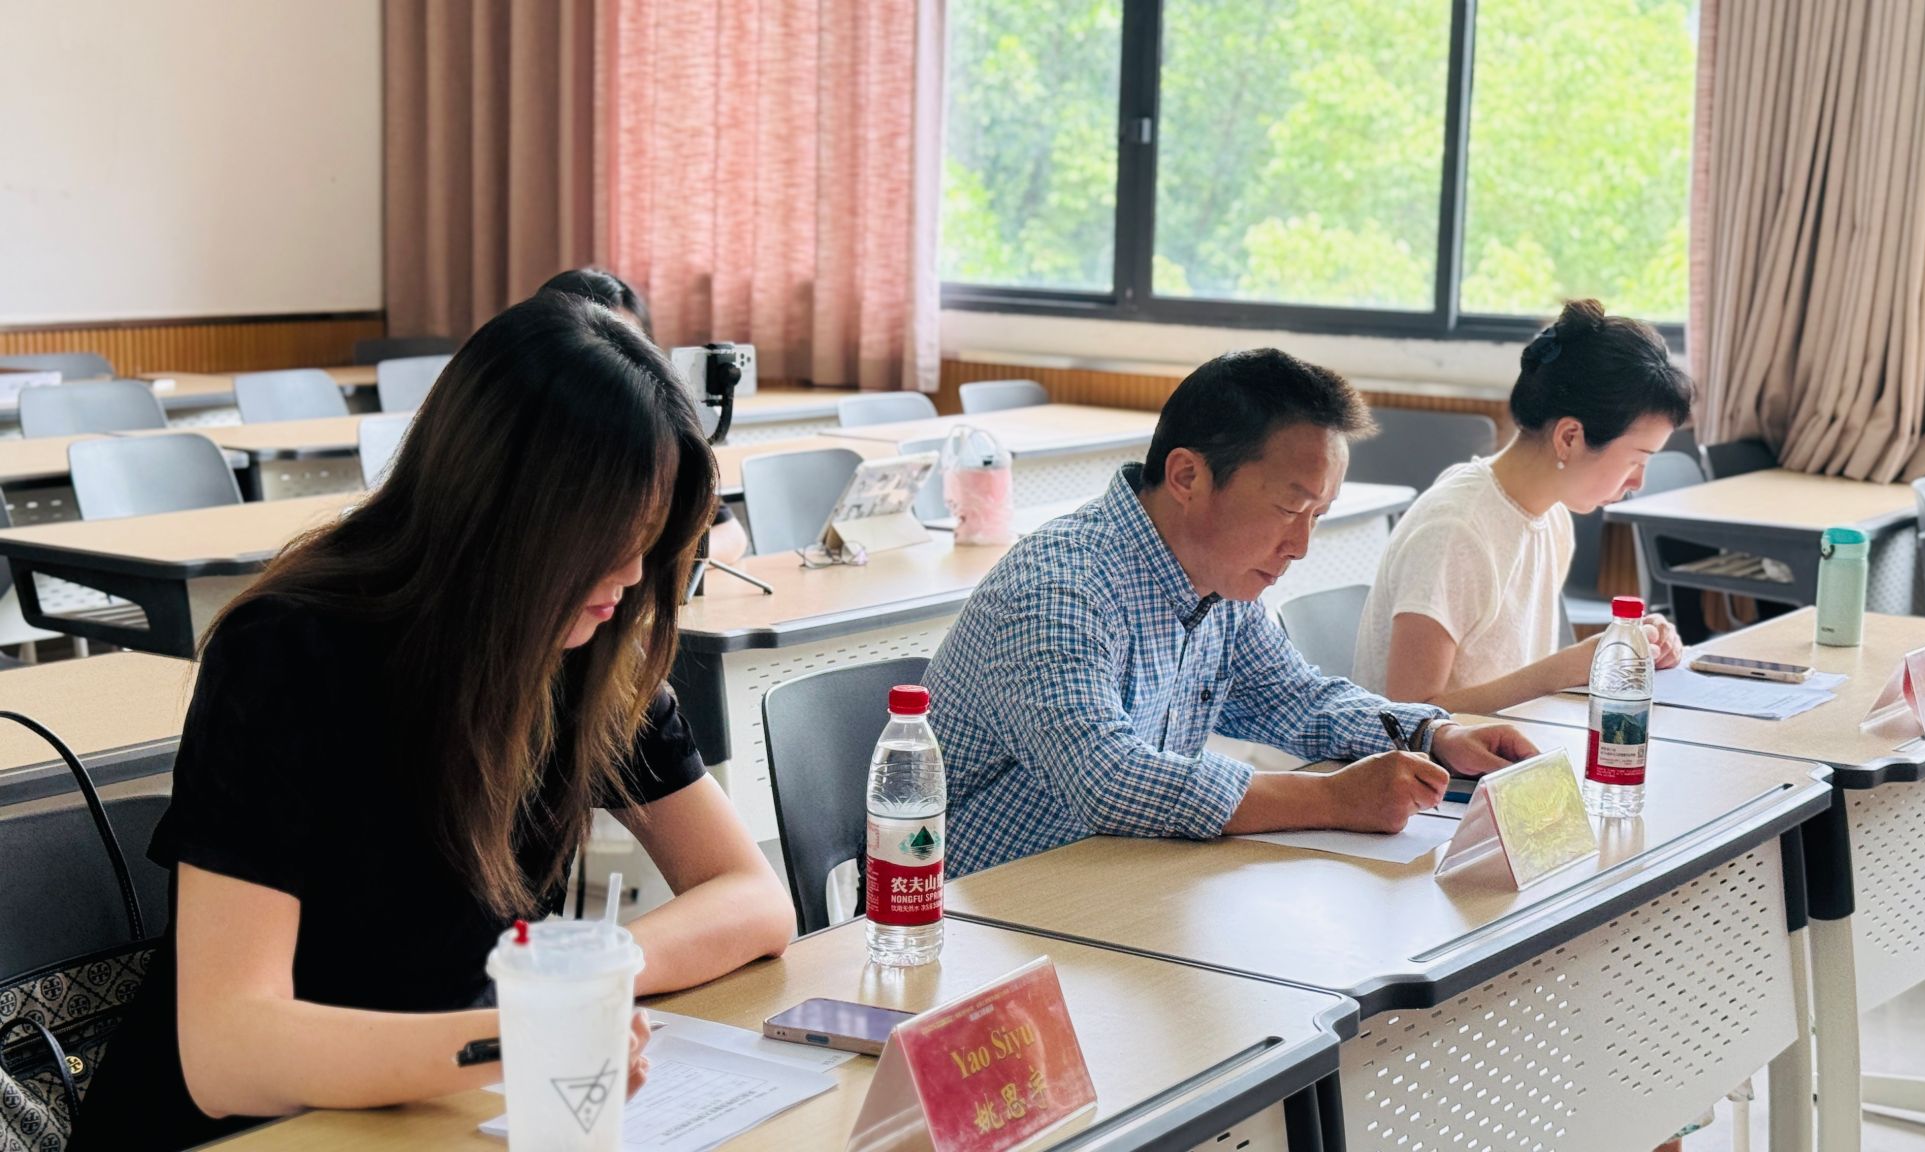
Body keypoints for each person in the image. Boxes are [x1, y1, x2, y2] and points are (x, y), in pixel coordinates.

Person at [72, 295, 795, 1151]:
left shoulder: (583, 648)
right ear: (506, 514)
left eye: (649, 537)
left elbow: (753, 899)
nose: (633, 574)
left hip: (425, 1111)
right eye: (607, 538)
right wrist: (514, 1035)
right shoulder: (290, 655)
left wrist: (587, 980)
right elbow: (229, 1051)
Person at [922, 348, 1542, 877]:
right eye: (1289, 509)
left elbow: (1295, 699)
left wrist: (1435, 734)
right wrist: (1331, 798)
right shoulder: (1061, 588)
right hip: (970, 918)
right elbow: (1107, 780)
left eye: (1318, 516)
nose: (1300, 546)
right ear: (1187, 476)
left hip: (1115, 881)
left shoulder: (1216, 583)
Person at [1351, 299, 1690, 714]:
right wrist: (1560, 670)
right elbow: (1409, 714)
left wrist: (1627, 645)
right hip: (1429, 757)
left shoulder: (1551, 517)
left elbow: (1509, 678)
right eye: (1637, 460)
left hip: (1505, 746)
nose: (1637, 482)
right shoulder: (1455, 529)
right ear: (1569, 437)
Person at [537, 267, 749, 564]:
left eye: (630, 346)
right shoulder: (535, 441)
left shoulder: (655, 434)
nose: (620, 364)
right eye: (604, 346)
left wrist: (657, 564)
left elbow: (730, 534)